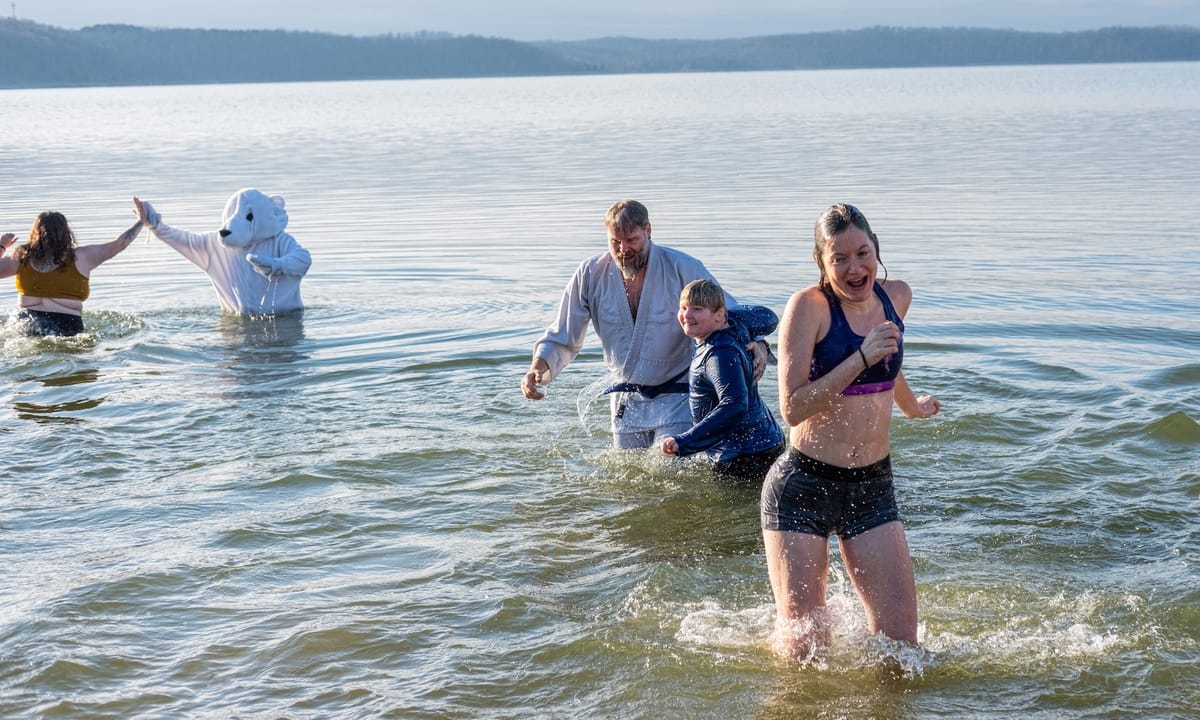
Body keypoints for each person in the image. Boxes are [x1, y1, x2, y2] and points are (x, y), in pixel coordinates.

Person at [761, 203, 941, 661]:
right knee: (804, 653)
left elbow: (890, 363)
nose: (854, 267)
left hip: (872, 486)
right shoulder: (809, 307)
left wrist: (911, 407)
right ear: (822, 263)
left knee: (902, 651)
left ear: (877, 250)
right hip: (804, 487)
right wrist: (858, 358)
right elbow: (792, 408)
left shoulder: (897, 296)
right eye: (839, 258)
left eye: (862, 253)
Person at [522, 199, 772, 450]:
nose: (623, 249)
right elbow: (563, 333)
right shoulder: (590, 274)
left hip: (679, 394)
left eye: (632, 240)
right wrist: (538, 369)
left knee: (671, 474)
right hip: (626, 400)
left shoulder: (681, 267)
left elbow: (725, 313)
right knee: (627, 476)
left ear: (648, 231)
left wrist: (758, 343)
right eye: (615, 242)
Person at [658, 279, 785, 483]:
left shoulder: (718, 355)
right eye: (683, 307)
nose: (687, 315)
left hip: (742, 457)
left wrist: (685, 441)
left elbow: (734, 405)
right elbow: (768, 317)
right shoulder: (737, 325)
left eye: (697, 309)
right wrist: (757, 338)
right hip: (764, 441)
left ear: (719, 315)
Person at [0, 200, 148, 337]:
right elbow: (119, 244)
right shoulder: (82, 257)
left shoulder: (21, 257)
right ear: (66, 233)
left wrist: (2, 246)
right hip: (67, 326)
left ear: (35, 233)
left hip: (26, 322)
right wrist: (141, 221)